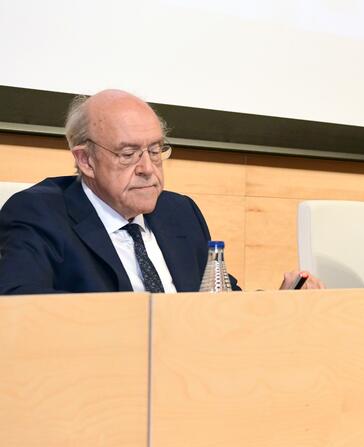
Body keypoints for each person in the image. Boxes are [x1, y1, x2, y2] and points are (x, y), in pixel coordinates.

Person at [0, 89, 322, 294]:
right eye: (128, 154)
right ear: (85, 160)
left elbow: (222, 303)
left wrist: (280, 303)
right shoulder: (39, 215)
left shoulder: (179, 213)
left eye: (155, 151)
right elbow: (20, 308)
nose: (147, 168)